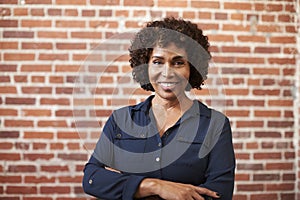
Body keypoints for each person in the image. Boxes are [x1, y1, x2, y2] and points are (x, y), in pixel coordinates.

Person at [82, 17, 235, 200]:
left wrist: (128, 188)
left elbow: (219, 194)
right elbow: (92, 178)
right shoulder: (121, 120)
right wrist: (155, 186)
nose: (167, 73)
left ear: (192, 68)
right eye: (157, 62)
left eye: (178, 62)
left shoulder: (215, 125)